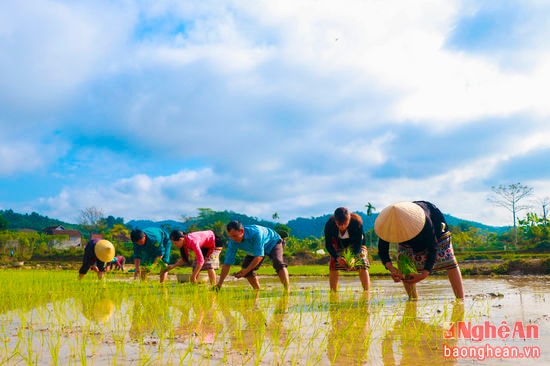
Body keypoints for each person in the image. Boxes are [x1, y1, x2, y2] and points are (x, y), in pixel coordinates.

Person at [375, 201, 465, 300]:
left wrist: (424, 274)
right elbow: (382, 249)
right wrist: (392, 269)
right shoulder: (386, 226)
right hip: (408, 243)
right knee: (404, 264)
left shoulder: (424, 219)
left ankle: (460, 299)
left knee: (449, 260)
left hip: (437, 234)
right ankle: (413, 300)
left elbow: (433, 247)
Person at [215, 220, 289, 291]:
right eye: (230, 236)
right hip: (254, 249)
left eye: (234, 236)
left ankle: (287, 290)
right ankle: (257, 290)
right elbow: (227, 263)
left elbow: (259, 256)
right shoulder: (232, 242)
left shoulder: (256, 233)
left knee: (278, 262)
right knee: (246, 268)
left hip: (272, 242)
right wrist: (219, 284)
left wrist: (246, 271)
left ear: (242, 231)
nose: (233, 239)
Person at [324, 207, 371, 292]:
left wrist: (353, 257)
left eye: (345, 224)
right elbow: (328, 244)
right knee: (333, 264)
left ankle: (367, 291)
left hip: (356, 245)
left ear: (349, 219)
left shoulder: (357, 223)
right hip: (338, 244)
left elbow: (358, 243)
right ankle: (333, 292)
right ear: (335, 221)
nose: (342, 227)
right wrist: (337, 257)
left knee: (362, 262)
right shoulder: (329, 225)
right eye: (339, 224)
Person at [161, 230, 225, 285]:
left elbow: (201, 261)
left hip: (214, 242)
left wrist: (193, 276)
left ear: (181, 239)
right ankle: (194, 286)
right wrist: (173, 266)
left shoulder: (193, 242)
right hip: (204, 245)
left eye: (175, 243)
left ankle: (214, 286)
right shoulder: (184, 243)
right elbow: (184, 259)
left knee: (209, 264)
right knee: (195, 266)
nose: (175, 245)